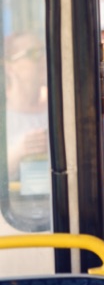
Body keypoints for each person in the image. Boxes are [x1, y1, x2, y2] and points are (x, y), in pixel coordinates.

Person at [5, 32, 49, 182]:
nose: (43, 59)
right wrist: (19, 152)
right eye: (33, 54)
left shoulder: (59, 107)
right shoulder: (4, 114)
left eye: (44, 51)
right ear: (10, 66)